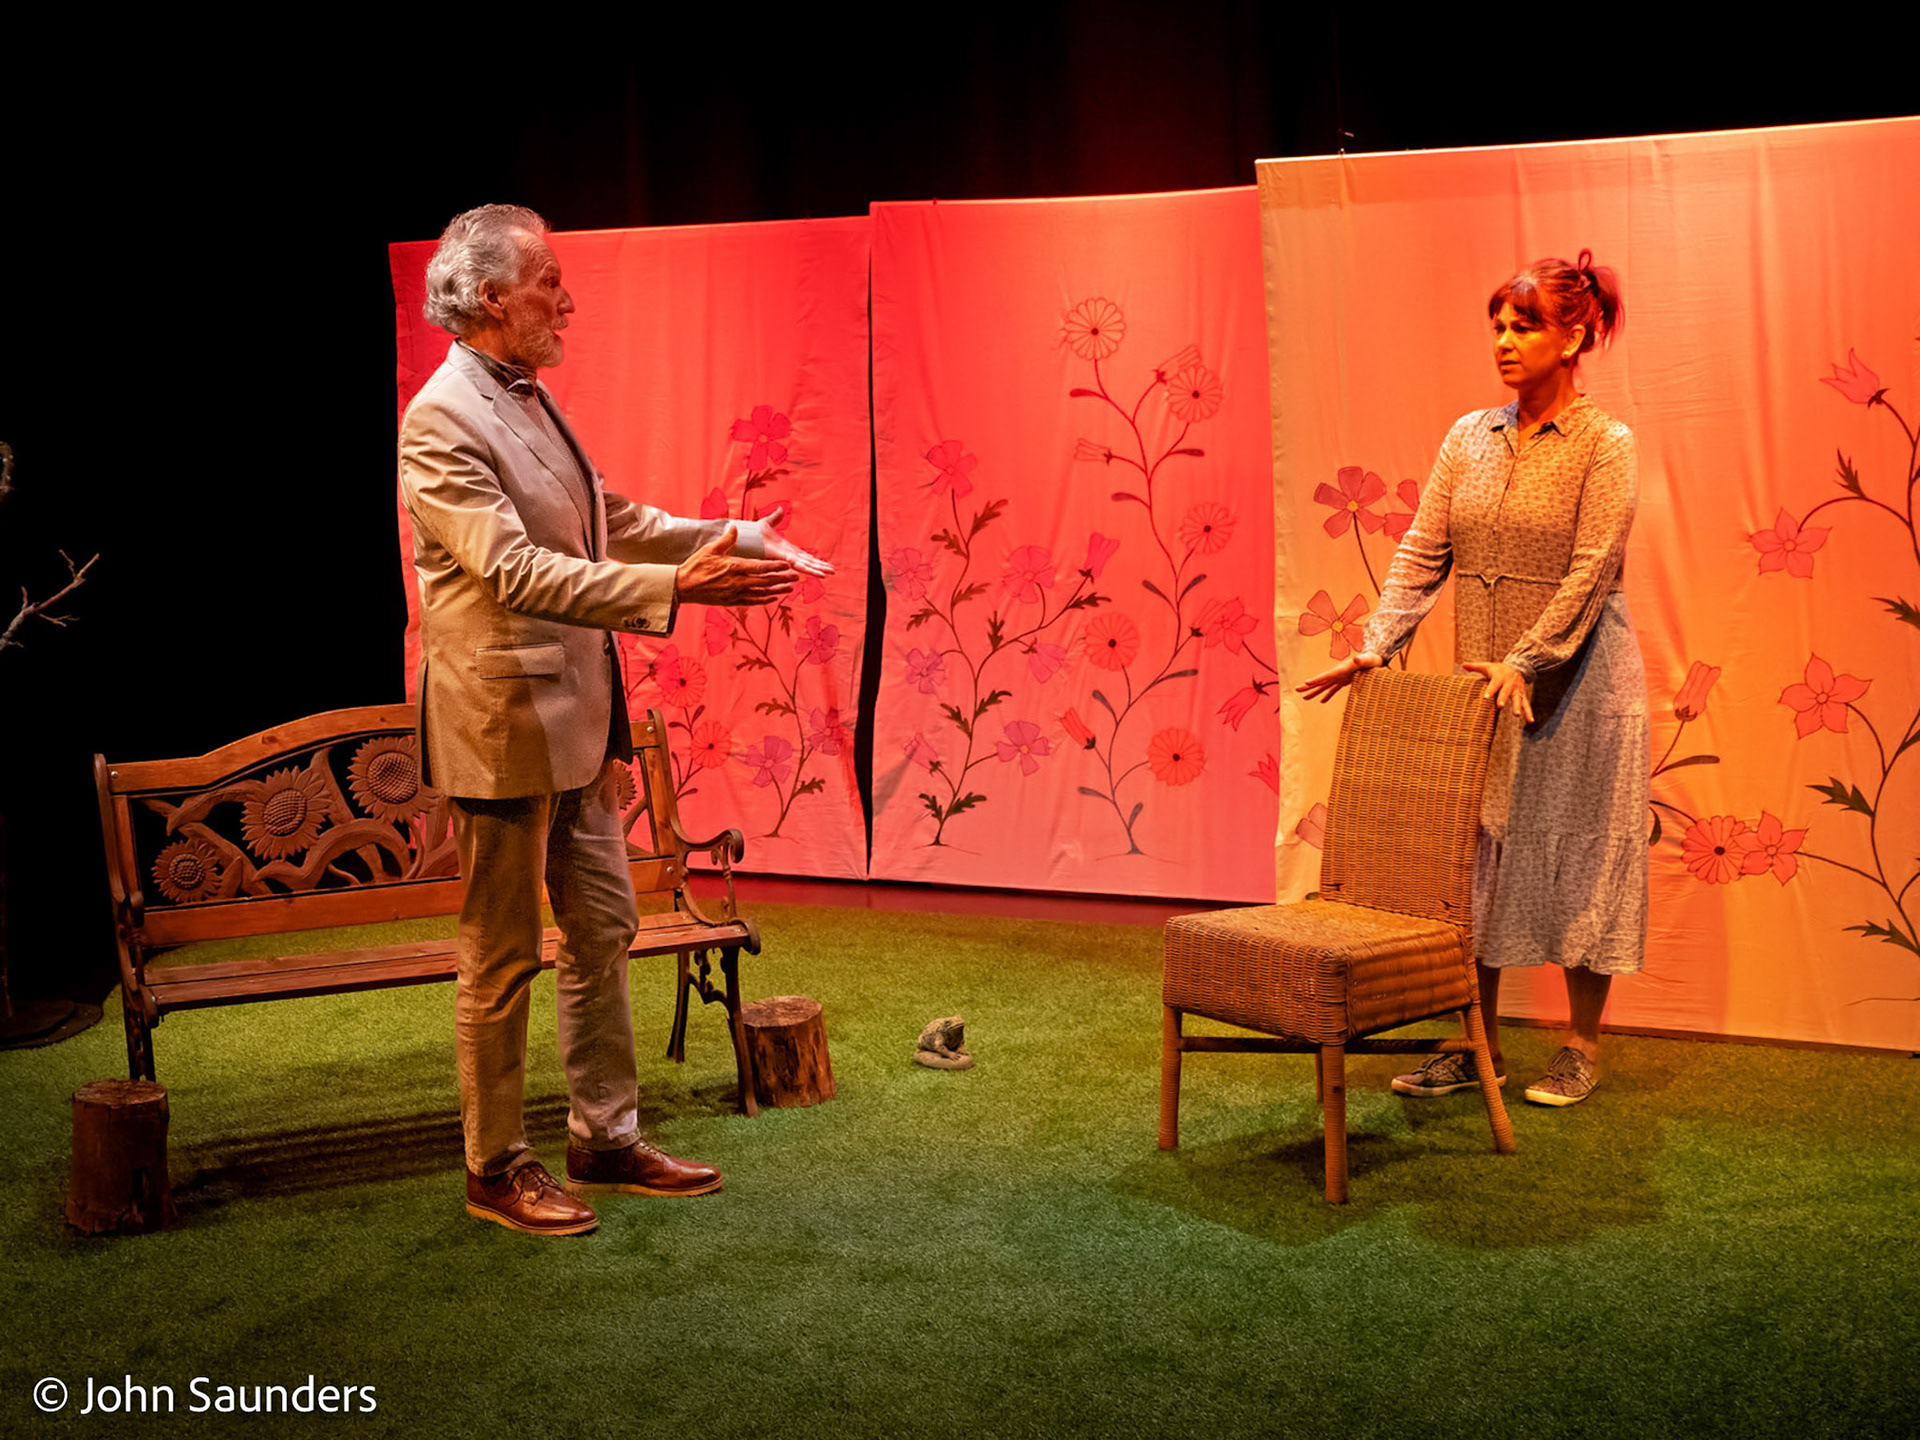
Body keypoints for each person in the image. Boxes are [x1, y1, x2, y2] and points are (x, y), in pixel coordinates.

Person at [401, 204, 831, 1233]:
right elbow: (513, 570)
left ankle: (604, 1136)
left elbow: (610, 520)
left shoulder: (532, 397)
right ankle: (496, 1167)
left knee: (603, 929)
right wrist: (678, 587)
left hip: (581, 722)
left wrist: (734, 536)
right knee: (502, 954)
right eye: (549, 280)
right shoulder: (441, 418)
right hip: (504, 724)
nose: (568, 300)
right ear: (490, 295)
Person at [1298, 250, 1644, 1108]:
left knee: (1581, 851)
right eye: (1498, 325)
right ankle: (1472, 1044)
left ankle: (1581, 1046)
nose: (1504, 341)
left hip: (1579, 681)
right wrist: (1377, 644)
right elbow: (1423, 550)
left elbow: (1592, 570)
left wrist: (1528, 660)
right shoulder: (1469, 437)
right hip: (1482, 682)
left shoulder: (1605, 445)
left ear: (1573, 339)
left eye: (1525, 326)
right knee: (1475, 861)